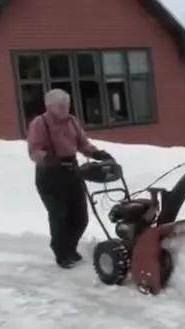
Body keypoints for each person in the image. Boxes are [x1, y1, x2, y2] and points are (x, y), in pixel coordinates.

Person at [27, 88, 112, 269]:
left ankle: (70, 247)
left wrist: (97, 153)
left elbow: (82, 143)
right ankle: (61, 252)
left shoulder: (72, 121)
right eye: (61, 106)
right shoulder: (40, 124)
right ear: (49, 107)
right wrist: (46, 157)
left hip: (72, 171)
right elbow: (34, 150)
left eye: (67, 105)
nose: (65, 108)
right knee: (59, 215)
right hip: (50, 173)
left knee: (80, 216)